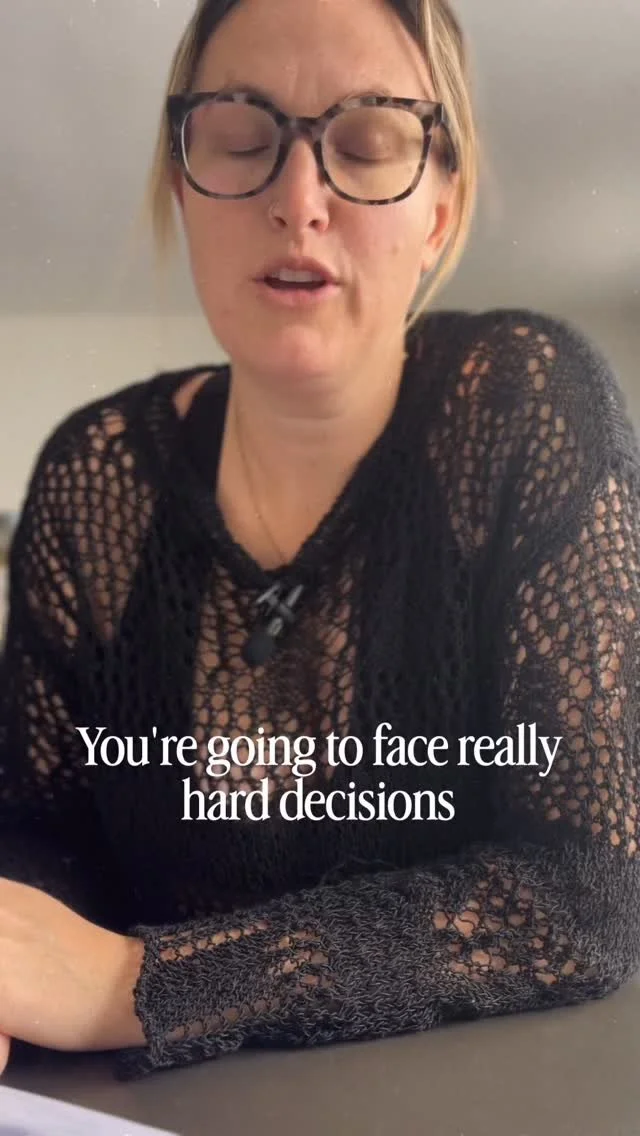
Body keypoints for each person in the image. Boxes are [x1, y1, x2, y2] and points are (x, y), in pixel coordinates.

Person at [1, 0, 639, 1083]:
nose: (299, 200)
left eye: (370, 142)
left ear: (438, 213)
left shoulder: (527, 404)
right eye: (240, 137)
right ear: (183, 186)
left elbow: (585, 890)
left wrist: (137, 984)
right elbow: (40, 825)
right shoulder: (90, 474)